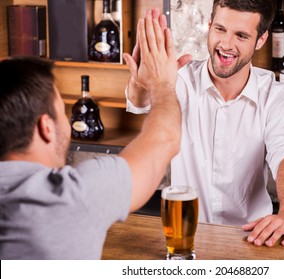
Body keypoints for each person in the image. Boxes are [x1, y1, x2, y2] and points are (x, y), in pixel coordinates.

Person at [124, 0, 284, 247]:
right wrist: (141, 81)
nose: (226, 44)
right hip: (185, 237)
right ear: (209, 26)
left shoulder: (275, 95)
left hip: (252, 240)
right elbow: (140, 101)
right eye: (220, 29)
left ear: (261, 40)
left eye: (241, 35)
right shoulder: (180, 80)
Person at [0, 11, 180, 259]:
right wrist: (164, 83)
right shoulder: (73, 197)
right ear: (46, 127)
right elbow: (166, 137)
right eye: (61, 112)